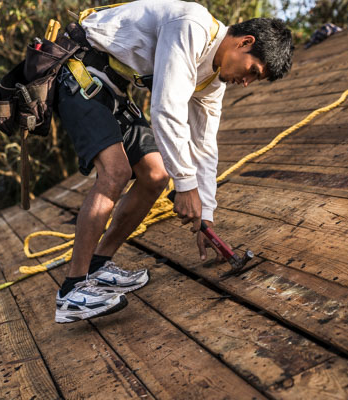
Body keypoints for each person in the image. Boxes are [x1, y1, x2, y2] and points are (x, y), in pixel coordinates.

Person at [54, 0, 294, 323]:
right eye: (252, 71)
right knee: (116, 172)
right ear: (245, 42)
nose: (247, 82)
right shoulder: (192, 26)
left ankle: (98, 267)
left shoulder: (213, 81)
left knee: (155, 174)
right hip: (80, 72)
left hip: (113, 89)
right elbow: (166, 109)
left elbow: (205, 145)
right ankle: (71, 291)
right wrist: (186, 186)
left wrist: (205, 212)